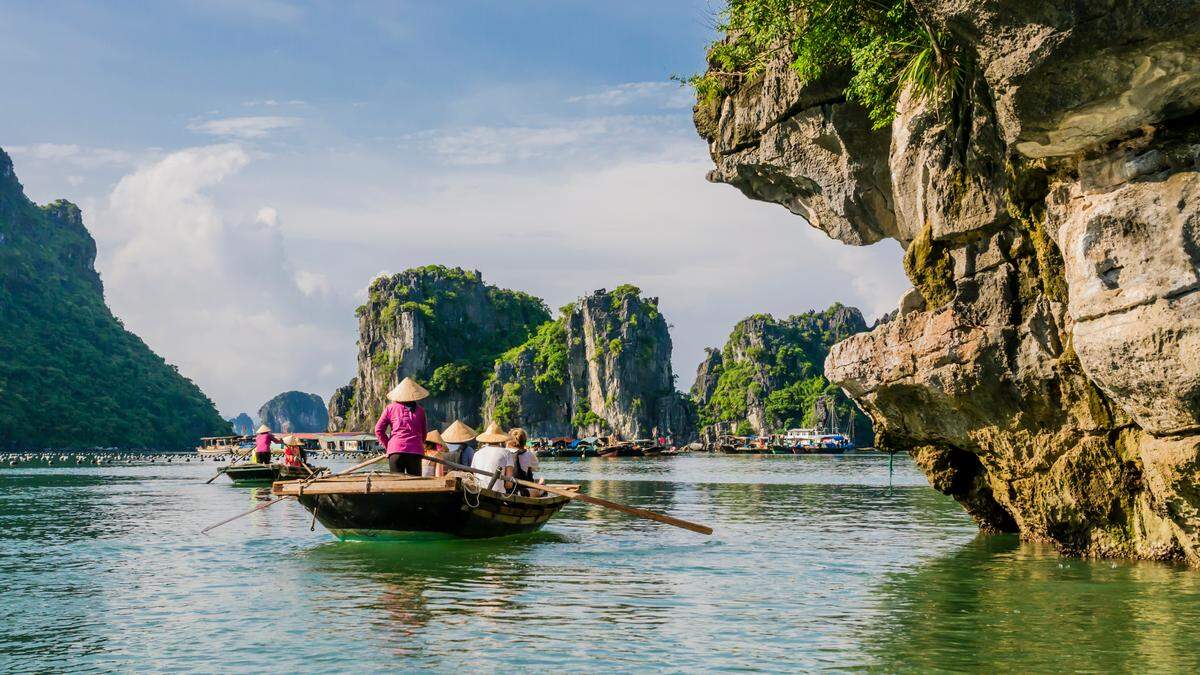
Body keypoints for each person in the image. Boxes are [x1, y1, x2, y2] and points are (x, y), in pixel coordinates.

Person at [374, 376, 429, 476]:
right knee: (415, 486)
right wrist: (417, 444)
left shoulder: (390, 408)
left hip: (395, 451)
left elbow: (378, 430)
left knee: (397, 485)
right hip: (415, 452)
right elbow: (424, 434)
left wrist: (389, 446)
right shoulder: (420, 411)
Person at [470, 422, 515, 492]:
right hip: (498, 493)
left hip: (479, 491)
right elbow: (509, 484)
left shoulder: (477, 453)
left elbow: (475, 477)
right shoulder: (506, 453)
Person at [507, 427, 544, 497]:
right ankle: (541, 485)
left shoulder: (504, 452)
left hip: (506, 489)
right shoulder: (528, 454)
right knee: (541, 482)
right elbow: (536, 468)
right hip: (522, 490)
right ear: (524, 441)